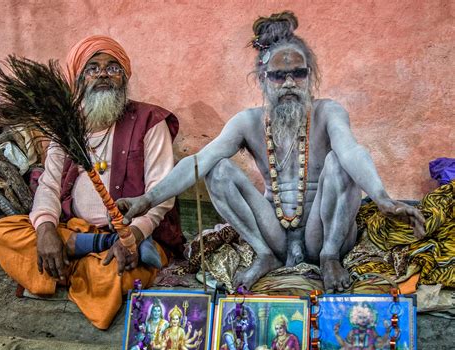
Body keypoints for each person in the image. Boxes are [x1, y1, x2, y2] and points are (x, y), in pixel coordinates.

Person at [116, 11, 425, 292]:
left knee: (339, 162)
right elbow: (199, 162)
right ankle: (264, 256)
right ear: (263, 79)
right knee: (217, 170)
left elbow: (352, 152)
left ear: (310, 76)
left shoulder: (328, 112)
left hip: (325, 230)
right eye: (279, 76)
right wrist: (146, 200)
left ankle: (330, 258)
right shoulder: (248, 121)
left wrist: (383, 198)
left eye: (299, 74)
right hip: (274, 233)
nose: (289, 83)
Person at [0, 35, 184, 329]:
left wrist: (131, 236)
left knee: (113, 271)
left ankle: (71, 264)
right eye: (92, 68)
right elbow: (49, 185)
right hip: (72, 230)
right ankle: (82, 254)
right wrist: (45, 230)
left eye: (113, 68)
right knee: (5, 231)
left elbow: (162, 195)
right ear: (77, 78)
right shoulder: (65, 124)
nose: (103, 74)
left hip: (131, 236)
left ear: (125, 76)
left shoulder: (149, 120)